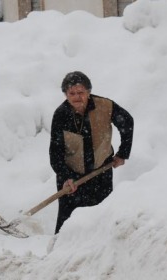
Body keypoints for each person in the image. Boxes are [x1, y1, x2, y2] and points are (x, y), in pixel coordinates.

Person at [49, 71, 134, 234]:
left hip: (101, 171)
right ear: (65, 95)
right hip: (72, 177)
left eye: (80, 92)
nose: (76, 97)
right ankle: (58, 254)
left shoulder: (105, 106)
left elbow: (127, 122)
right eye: (71, 93)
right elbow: (55, 151)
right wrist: (66, 177)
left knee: (100, 218)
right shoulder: (61, 115)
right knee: (67, 223)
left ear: (88, 92)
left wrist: (123, 154)